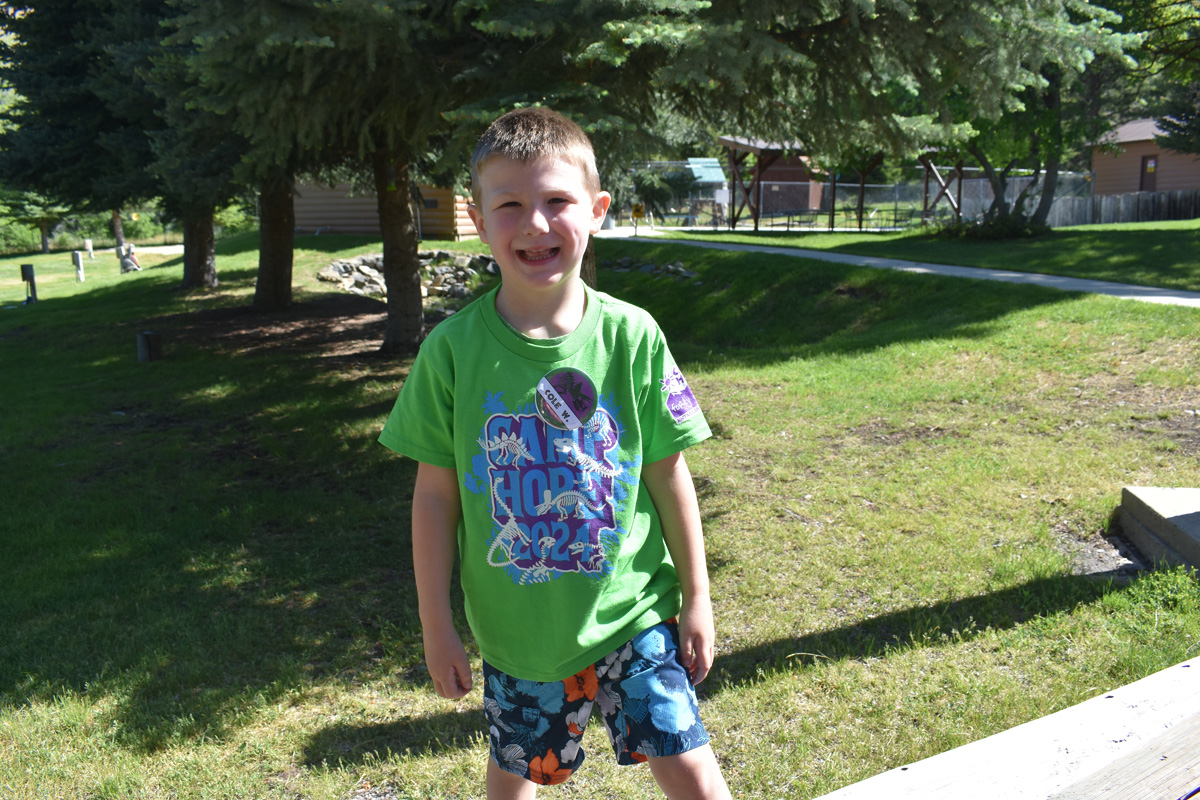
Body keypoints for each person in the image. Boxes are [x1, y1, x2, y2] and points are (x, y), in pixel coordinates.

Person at [379, 107, 731, 800]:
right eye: (510, 205)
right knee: (518, 775)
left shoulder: (633, 336)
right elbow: (435, 498)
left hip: (635, 612)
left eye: (557, 201)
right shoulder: (450, 353)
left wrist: (697, 597)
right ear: (479, 221)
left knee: (692, 770)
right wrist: (435, 624)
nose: (535, 224)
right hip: (519, 636)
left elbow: (669, 475)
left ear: (597, 211)